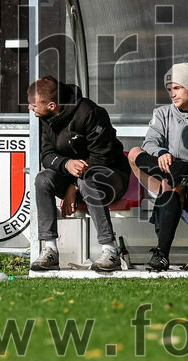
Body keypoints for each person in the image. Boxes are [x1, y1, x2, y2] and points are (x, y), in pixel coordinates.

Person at [127, 63, 188, 271]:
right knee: (135, 153)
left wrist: (186, 166)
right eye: (169, 89)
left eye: (177, 88)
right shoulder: (162, 113)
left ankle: (162, 254)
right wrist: (162, 153)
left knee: (176, 184)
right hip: (167, 174)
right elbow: (149, 144)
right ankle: (176, 177)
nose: (172, 94)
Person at [28, 76, 130, 272]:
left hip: (110, 177)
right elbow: (46, 155)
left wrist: (73, 186)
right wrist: (66, 164)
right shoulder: (44, 118)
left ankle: (110, 251)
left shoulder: (91, 113)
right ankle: (50, 250)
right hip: (73, 177)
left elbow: (102, 157)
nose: (30, 108)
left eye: (33, 105)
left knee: (88, 181)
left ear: (52, 105)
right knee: (43, 179)